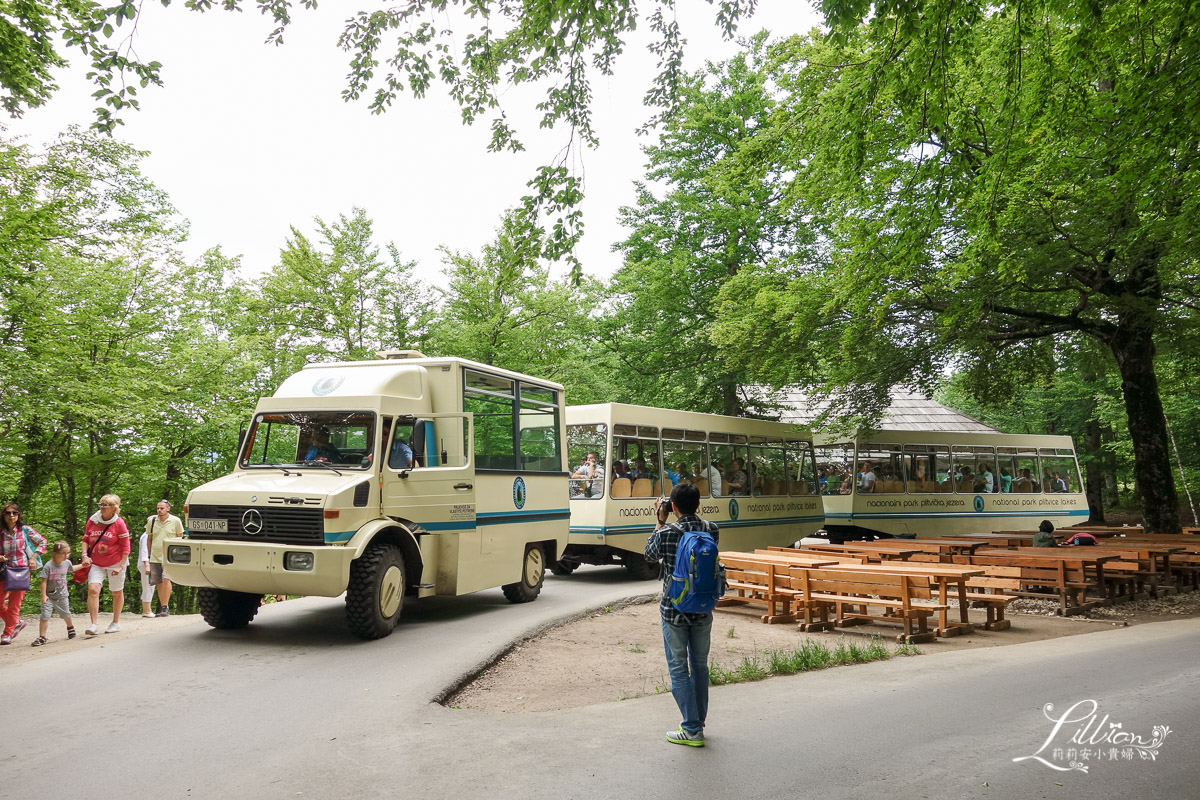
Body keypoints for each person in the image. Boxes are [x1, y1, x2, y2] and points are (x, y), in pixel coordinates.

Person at [644, 482, 718, 747]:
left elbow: (649, 556)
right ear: (698, 505)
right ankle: (698, 723)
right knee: (699, 665)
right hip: (702, 608)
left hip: (673, 609)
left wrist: (659, 520)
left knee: (678, 668)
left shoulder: (666, 532)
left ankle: (691, 728)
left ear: (672, 507)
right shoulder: (712, 529)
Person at [81, 493, 131, 637]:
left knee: (116, 592)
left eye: (105, 505)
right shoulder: (93, 520)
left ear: (114, 508)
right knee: (93, 589)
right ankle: (93, 624)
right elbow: (86, 538)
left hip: (115, 562)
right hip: (96, 562)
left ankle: (115, 622)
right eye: (101, 504)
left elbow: (126, 547)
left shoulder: (119, 523)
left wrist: (120, 566)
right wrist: (84, 555)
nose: (102, 507)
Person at [1, 503, 47, 645]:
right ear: (4, 515)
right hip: (3, 570)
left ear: (18, 515)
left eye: (14, 513)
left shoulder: (25, 530)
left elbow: (42, 542)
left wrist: (33, 557)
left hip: (21, 570)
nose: (11, 516)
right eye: (8, 513)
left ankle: (7, 633)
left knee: (15, 604)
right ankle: (16, 622)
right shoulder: (1, 532)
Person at [31, 541, 76, 646]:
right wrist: (43, 596)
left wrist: (83, 565)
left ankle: (70, 627)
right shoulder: (48, 566)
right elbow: (43, 581)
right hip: (49, 597)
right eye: (64, 553)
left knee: (66, 613)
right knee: (44, 616)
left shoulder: (67, 563)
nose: (66, 556)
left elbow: (72, 569)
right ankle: (42, 636)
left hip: (62, 595)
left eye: (68, 553)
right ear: (55, 554)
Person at [145, 500, 184, 617]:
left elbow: (180, 537)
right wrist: (149, 554)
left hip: (169, 556)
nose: (159, 510)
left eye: (162, 508)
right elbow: (149, 538)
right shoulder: (152, 521)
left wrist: (178, 554)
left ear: (168, 508)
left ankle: (165, 606)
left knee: (167, 579)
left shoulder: (176, 521)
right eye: (158, 508)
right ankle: (162, 607)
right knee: (158, 582)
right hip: (155, 556)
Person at [137, 529, 155, 618]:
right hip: (146, 564)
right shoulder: (146, 535)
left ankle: (147, 609)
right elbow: (144, 551)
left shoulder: (150, 535)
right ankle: (147, 610)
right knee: (148, 586)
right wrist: (147, 564)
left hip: (150, 563)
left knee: (150, 586)